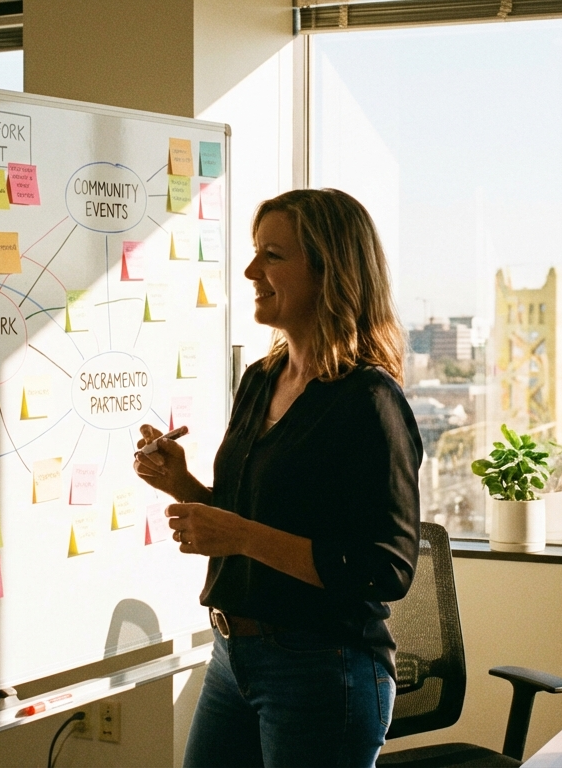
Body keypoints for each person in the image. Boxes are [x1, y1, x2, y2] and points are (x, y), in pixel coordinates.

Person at [132, 188, 422, 767]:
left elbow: (385, 569)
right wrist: (184, 488)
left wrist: (238, 536)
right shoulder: (261, 379)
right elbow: (257, 518)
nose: (250, 271)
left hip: (321, 669)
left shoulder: (370, 402)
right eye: (254, 252)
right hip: (232, 655)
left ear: (330, 271)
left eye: (273, 255)